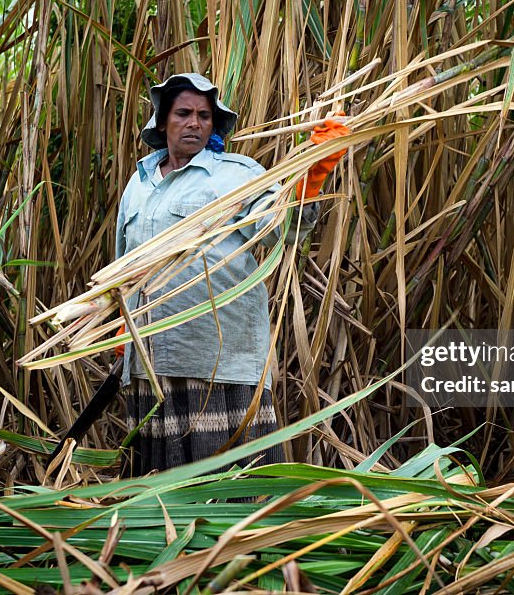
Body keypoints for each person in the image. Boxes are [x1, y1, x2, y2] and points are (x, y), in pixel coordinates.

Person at [115, 72, 349, 474]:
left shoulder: (237, 176)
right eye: (184, 113)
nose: (194, 123)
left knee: (230, 488)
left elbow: (280, 228)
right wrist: (121, 325)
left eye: (204, 116)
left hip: (216, 358)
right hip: (149, 362)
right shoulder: (138, 186)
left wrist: (309, 179)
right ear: (162, 121)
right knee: (158, 490)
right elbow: (122, 265)